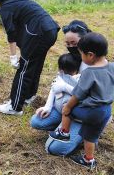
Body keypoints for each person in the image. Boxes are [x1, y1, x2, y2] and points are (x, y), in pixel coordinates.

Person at [0, 0, 59, 115]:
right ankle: (29, 96)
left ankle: (15, 106)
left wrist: (13, 56)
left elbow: (11, 34)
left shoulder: (6, 8)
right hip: (50, 30)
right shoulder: (17, 1)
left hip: (39, 32)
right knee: (35, 65)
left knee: (24, 68)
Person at [49, 32, 114, 169]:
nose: (81, 57)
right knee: (91, 136)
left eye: (82, 54)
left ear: (90, 55)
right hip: (106, 110)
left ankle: (64, 132)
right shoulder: (112, 67)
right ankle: (89, 160)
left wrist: (68, 108)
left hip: (92, 110)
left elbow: (78, 94)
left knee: (68, 107)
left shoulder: (89, 72)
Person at [31, 20, 92, 156]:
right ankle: (63, 126)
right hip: (66, 110)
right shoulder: (70, 59)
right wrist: (47, 106)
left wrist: (65, 86)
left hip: (82, 115)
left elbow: (88, 95)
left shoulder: (93, 64)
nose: (70, 47)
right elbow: (56, 84)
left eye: (74, 44)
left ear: (85, 40)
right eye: (68, 44)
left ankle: (84, 133)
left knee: (55, 149)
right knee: (36, 121)